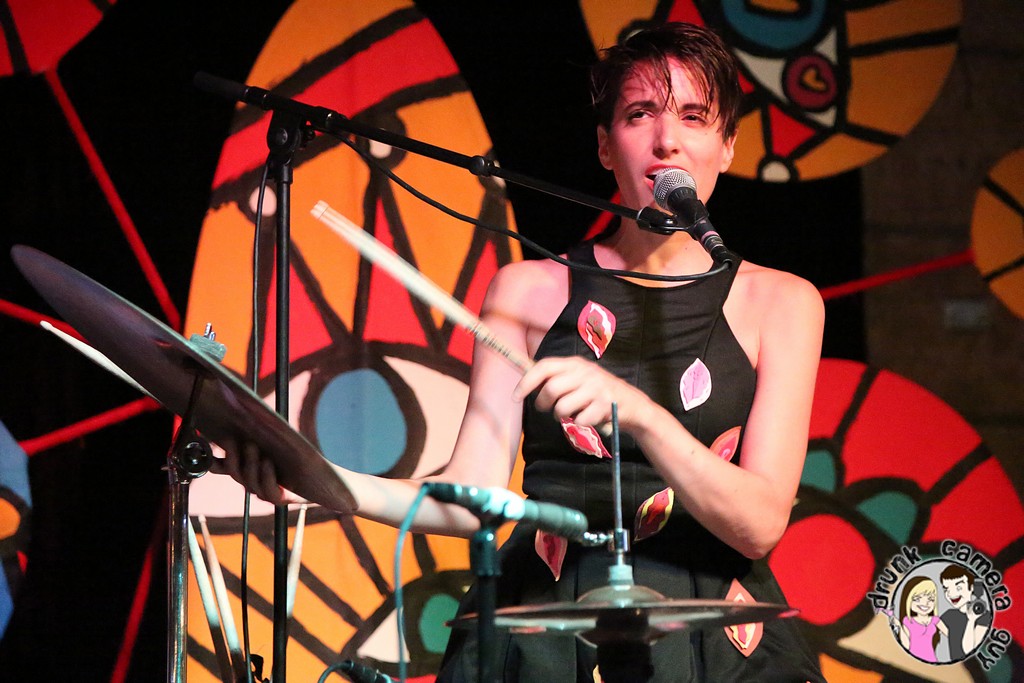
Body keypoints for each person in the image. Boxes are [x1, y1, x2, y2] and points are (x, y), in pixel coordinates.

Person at [214, 21, 826, 682]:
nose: (667, 139)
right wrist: (322, 481)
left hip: (714, 639)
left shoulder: (784, 302)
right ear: (605, 145)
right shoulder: (529, 289)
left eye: (694, 117)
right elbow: (472, 495)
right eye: (639, 114)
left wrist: (640, 414)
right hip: (545, 626)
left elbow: (759, 523)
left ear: (728, 146)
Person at [939, 565, 991, 661]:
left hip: (973, 667)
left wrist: (971, 620)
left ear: (971, 588)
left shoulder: (983, 616)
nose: (951, 593)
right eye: (946, 589)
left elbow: (968, 650)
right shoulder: (949, 615)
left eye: (958, 588)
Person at [890, 576, 947, 662]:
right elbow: (906, 645)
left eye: (931, 599)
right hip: (912, 659)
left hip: (931, 659)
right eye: (917, 599)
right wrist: (898, 626)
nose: (925, 603)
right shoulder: (907, 621)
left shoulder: (935, 620)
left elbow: (952, 636)